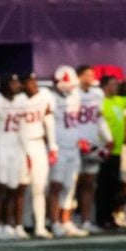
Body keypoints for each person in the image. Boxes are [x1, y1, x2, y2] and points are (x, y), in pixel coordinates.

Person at [48, 66, 88, 238]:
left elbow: (75, 120)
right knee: (56, 185)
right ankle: (54, 221)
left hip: (73, 145)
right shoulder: (49, 97)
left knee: (71, 185)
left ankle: (66, 220)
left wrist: (80, 137)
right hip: (59, 146)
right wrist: (51, 146)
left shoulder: (76, 95)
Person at [0, 73, 25, 240]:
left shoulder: (20, 100)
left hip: (15, 146)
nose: (17, 86)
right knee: (0, 188)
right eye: (14, 82)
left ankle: (8, 224)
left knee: (13, 188)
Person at [18, 73, 58, 237]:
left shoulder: (44, 95)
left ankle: (40, 225)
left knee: (40, 187)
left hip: (38, 143)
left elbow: (49, 120)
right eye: (30, 82)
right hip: (21, 145)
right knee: (20, 187)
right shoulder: (17, 100)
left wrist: (53, 145)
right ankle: (20, 224)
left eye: (35, 82)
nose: (35, 85)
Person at [72, 65, 110, 232]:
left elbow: (99, 116)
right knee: (72, 182)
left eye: (92, 75)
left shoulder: (97, 93)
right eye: (86, 74)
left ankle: (86, 219)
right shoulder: (72, 94)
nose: (90, 78)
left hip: (92, 140)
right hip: (75, 142)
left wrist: (107, 137)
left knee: (89, 182)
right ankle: (70, 217)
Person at [97, 75, 126, 231]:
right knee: (103, 187)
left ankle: (111, 217)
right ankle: (102, 218)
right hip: (104, 151)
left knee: (113, 187)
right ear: (104, 86)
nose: (115, 86)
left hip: (117, 151)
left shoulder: (118, 100)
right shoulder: (100, 102)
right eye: (112, 84)